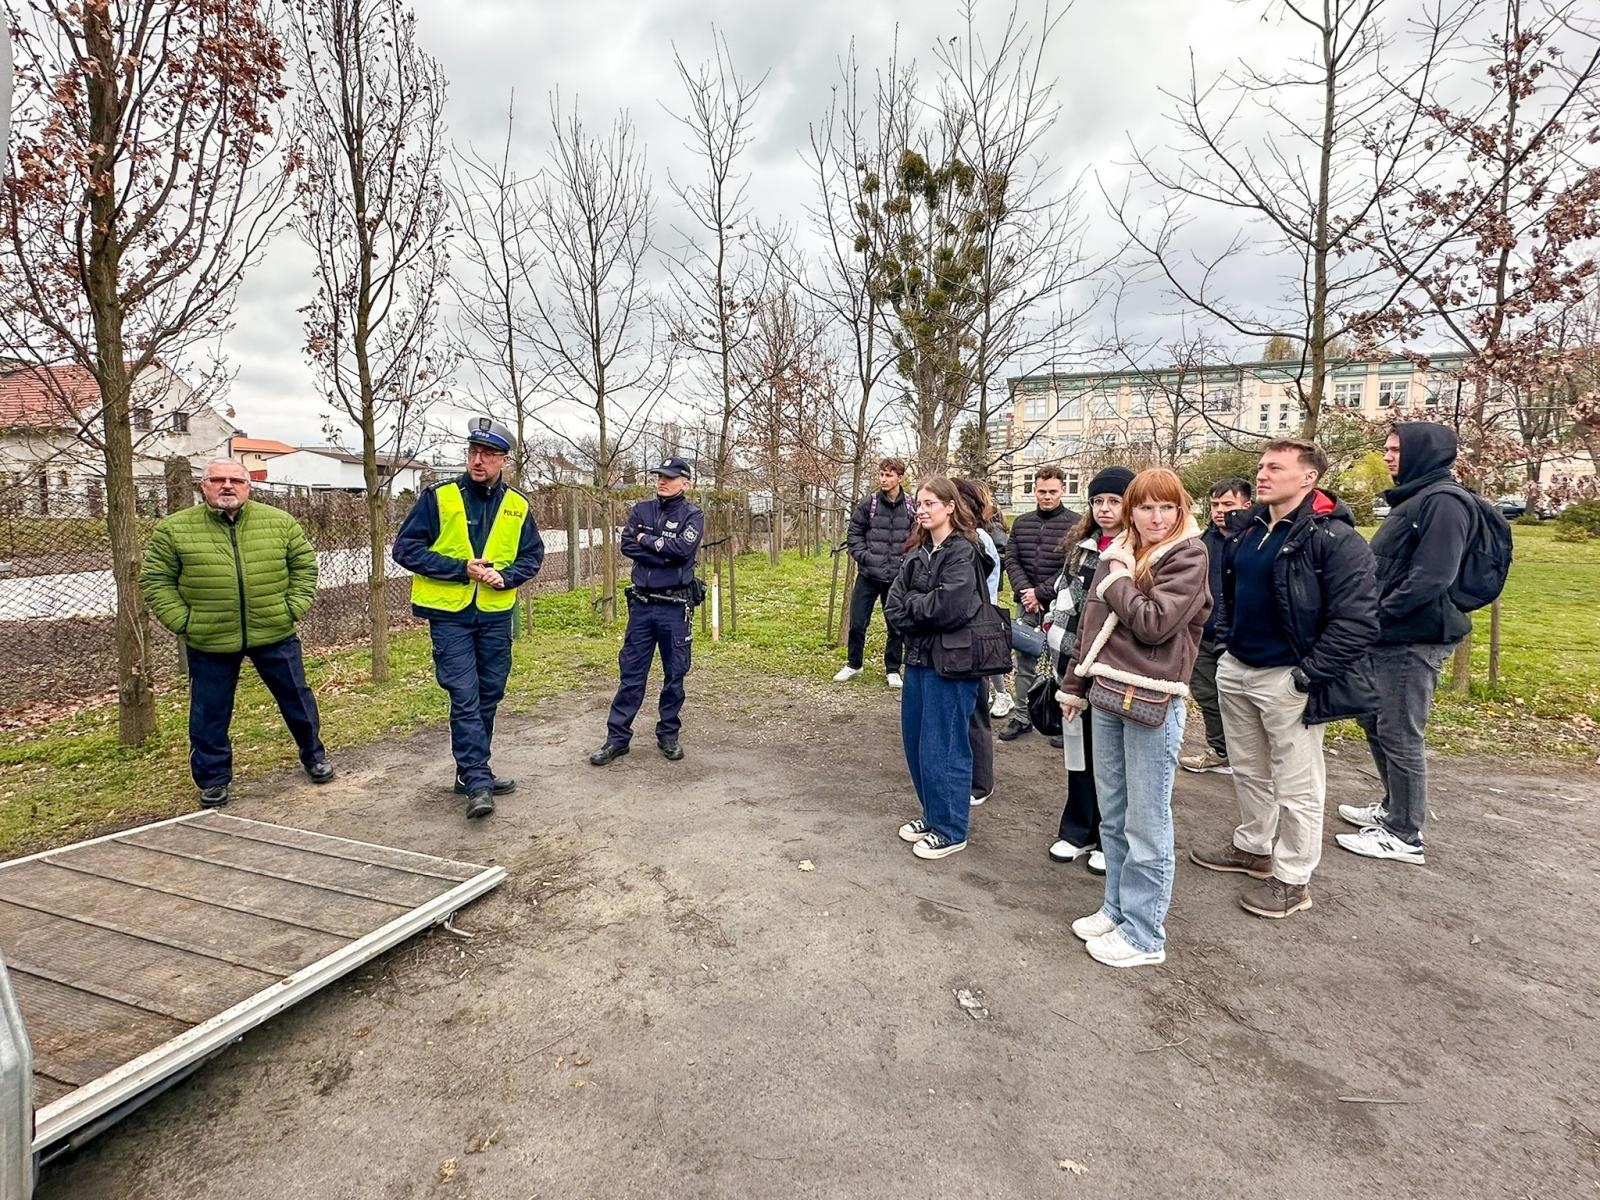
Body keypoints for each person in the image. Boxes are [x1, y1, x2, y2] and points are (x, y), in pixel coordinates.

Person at [1190, 440, 1379, 919]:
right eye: (1261, 466)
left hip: (1287, 678)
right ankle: (1253, 848)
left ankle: (1293, 878)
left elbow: (1357, 621)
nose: (1263, 474)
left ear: (1308, 478)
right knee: (1249, 769)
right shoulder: (1248, 530)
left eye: (1275, 467)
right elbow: (1229, 590)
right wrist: (1228, 641)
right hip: (1239, 668)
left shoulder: (1333, 539)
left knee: (1298, 785)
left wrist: (1306, 676)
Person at [1056, 468, 1211, 969]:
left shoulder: (1188, 556)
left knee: (1148, 822)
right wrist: (1074, 686)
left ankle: (1145, 934)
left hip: (1152, 701)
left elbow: (1153, 623)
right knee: (1116, 815)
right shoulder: (1118, 550)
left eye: (1167, 507)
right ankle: (1117, 909)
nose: (1157, 517)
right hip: (1105, 693)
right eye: (1146, 507)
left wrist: (1119, 577)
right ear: (1131, 510)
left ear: (1180, 509)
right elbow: (1091, 625)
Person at [140, 458, 332, 808]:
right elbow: (156, 580)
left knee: (297, 699)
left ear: (248, 487)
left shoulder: (279, 522)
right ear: (204, 486)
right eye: (218, 479)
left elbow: (304, 566)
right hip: (210, 636)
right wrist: (185, 621)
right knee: (209, 711)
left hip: (273, 630)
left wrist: (292, 608)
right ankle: (213, 779)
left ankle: (314, 755)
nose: (227, 486)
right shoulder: (174, 529)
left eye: (235, 480)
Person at [1336, 422, 1475, 865]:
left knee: (1399, 731)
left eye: (1396, 449)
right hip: (1389, 634)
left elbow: (1432, 576)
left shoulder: (1445, 503)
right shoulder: (1416, 497)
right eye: (1388, 448)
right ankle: (1393, 807)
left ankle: (1405, 833)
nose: (1390, 456)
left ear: (1424, 453)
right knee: (1375, 723)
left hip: (1414, 637)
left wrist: (1378, 612)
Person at [393, 419, 545, 819]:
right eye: (473, 452)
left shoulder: (518, 505)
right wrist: (462, 568)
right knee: (465, 695)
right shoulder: (438, 497)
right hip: (450, 616)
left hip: (495, 614)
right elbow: (406, 550)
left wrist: (505, 576)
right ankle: (477, 779)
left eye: (489, 454)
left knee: (490, 694)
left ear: (504, 461)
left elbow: (532, 556)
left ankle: (469, 771)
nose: (478, 460)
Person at [886, 476, 990, 861]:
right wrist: (920, 606)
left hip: (952, 664)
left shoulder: (964, 552)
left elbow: (950, 608)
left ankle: (950, 828)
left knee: (943, 747)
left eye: (931, 502)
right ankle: (932, 815)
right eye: (920, 503)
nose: (923, 509)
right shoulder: (918, 552)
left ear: (950, 507)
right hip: (917, 660)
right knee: (917, 744)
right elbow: (894, 607)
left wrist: (917, 605)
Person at [1045, 465, 1133, 871]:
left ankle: (1108, 837)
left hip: (1113, 667)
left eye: (1113, 500)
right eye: (1097, 501)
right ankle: (1077, 829)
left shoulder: (1138, 550)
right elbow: (1067, 598)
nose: (1104, 508)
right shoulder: (1083, 547)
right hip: (1074, 661)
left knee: (1110, 759)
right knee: (1078, 751)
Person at [590, 457, 706, 766]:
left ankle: (668, 734)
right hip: (641, 606)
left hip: (674, 608)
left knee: (674, 674)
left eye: (669, 477)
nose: (661, 481)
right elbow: (628, 544)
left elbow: (684, 550)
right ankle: (617, 739)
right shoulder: (642, 509)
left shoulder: (692, 514)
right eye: (658, 476)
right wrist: (663, 552)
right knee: (631, 675)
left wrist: (648, 541)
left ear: (686, 483)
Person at [1180, 477, 1253, 776]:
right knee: (1207, 694)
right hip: (1203, 635)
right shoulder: (1201, 543)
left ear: (1246, 505)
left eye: (1228, 504)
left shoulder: (1256, 539)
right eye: (1215, 504)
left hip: (1242, 639)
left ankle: (1250, 760)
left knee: (1242, 702)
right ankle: (1220, 751)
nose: (1220, 510)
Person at [999, 466, 1078, 742]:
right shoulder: (1022, 522)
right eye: (1042, 491)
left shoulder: (1076, 524)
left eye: (1052, 492)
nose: (1047, 497)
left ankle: (1063, 721)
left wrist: (1041, 593)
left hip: (1062, 604)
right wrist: (1025, 592)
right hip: (1027, 603)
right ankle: (1022, 716)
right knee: (1025, 662)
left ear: (1062, 491)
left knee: (1065, 665)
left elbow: (1072, 565)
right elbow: (1012, 558)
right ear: (1035, 490)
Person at [836, 457, 914, 688]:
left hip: (896, 578)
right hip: (869, 575)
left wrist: (905, 562)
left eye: (889, 475)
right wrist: (865, 557)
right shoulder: (868, 503)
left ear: (899, 477)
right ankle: (854, 664)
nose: (883, 479)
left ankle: (893, 669)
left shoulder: (911, 505)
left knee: (895, 626)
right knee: (857, 622)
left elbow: (917, 537)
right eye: (881, 474)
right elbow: (854, 535)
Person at [956, 478, 1002, 808]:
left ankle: (981, 782)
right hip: (958, 638)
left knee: (976, 710)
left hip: (974, 636)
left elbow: (983, 592)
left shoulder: (978, 540)